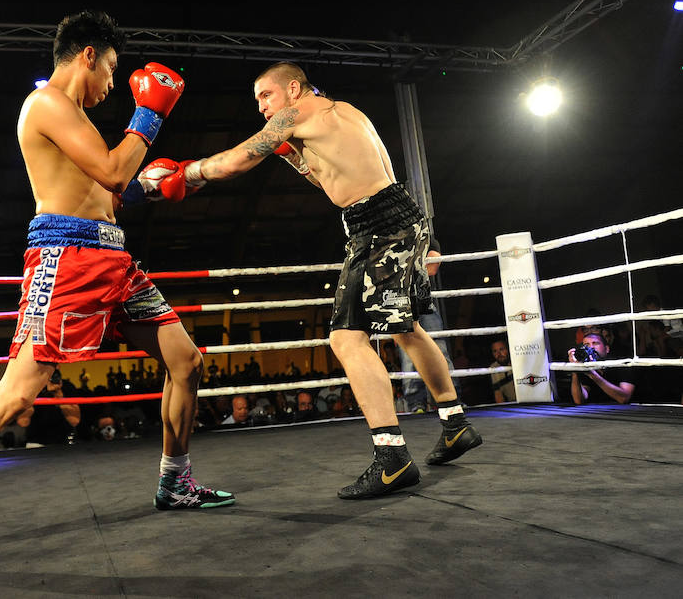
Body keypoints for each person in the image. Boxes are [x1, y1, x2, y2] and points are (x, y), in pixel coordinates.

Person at [0, 11, 233, 579]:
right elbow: (113, 172)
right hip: (66, 262)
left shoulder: (80, 121)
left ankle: (175, 479)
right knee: (15, 397)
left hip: (114, 259)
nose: (114, 83)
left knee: (185, 361)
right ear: (87, 55)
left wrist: (148, 190)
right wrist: (150, 113)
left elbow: (110, 193)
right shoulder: (45, 104)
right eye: (112, 69)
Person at [146, 61, 482, 499]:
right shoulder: (344, 112)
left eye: (265, 96)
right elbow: (333, 179)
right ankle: (456, 425)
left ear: (292, 88)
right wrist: (297, 160)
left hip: (376, 229)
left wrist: (188, 173)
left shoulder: (296, 113)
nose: (262, 108)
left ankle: (392, 458)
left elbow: (238, 159)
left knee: (346, 339)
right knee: (408, 331)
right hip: (402, 217)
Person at [397, 237, 459, 413]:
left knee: (440, 350)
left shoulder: (428, 239)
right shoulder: (391, 240)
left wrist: (402, 267)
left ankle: (452, 398)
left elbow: (432, 267)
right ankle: (416, 403)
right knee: (408, 356)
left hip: (424, 304)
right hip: (401, 305)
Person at [17, 368, 84, 447]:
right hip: (36, 442)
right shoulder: (33, 387)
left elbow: (74, 421)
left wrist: (59, 396)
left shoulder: (67, 387)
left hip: (64, 442)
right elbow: (23, 422)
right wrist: (33, 393)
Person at [567, 330, 636, 405]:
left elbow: (623, 398)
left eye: (595, 343)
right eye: (587, 345)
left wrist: (593, 374)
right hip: (597, 412)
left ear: (607, 349)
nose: (591, 348)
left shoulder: (621, 364)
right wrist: (575, 370)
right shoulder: (586, 366)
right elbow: (579, 400)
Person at [489, 338, 516, 403]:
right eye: (495, 351)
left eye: (501, 349)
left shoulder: (517, 362)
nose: (499, 354)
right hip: (512, 405)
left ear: (508, 349)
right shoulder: (494, 367)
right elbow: (498, 394)